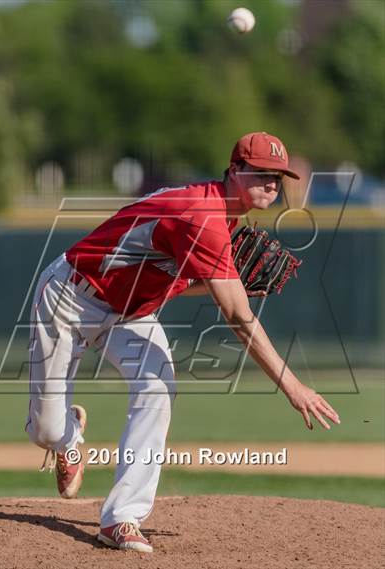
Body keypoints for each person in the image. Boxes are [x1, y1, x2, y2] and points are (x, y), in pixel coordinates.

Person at [25, 131, 340, 553]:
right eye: (262, 173)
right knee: (46, 431)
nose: (272, 184)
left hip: (129, 310)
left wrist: (226, 282)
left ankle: (122, 518)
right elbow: (238, 319)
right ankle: (68, 439)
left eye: (278, 176)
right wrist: (292, 385)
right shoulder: (204, 217)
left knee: (157, 390)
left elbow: (173, 277)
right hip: (71, 296)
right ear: (235, 171)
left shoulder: (221, 217)